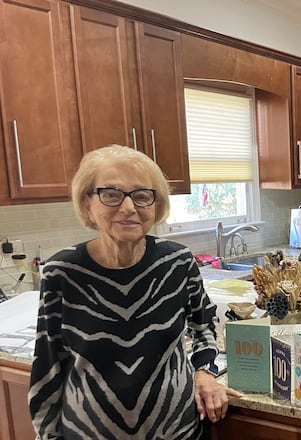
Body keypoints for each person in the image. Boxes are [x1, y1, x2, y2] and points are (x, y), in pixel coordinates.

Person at [28, 145, 241, 439]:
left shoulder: (177, 262)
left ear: (156, 205)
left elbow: (204, 326)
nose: (128, 208)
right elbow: (47, 365)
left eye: (142, 196)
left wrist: (204, 371)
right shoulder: (62, 272)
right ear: (87, 203)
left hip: (176, 432)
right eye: (111, 194)